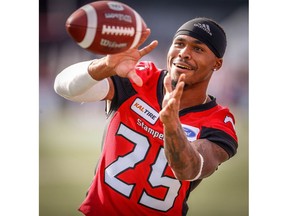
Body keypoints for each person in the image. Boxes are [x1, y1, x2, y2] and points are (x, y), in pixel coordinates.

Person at [54, 17, 238, 216]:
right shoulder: (141, 78)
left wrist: (172, 125)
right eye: (179, 44)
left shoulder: (218, 121)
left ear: (217, 64)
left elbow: (190, 170)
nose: (184, 53)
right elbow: (64, 88)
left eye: (198, 49)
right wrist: (105, 66)